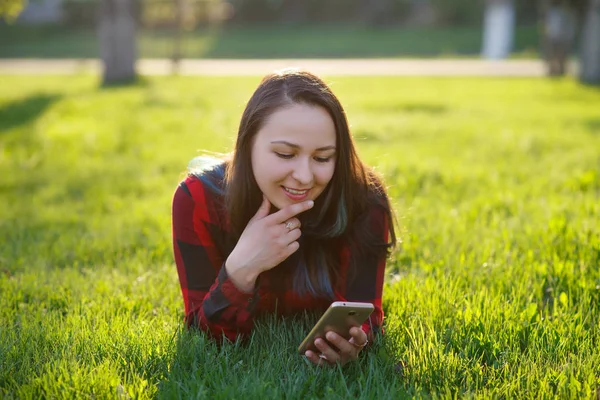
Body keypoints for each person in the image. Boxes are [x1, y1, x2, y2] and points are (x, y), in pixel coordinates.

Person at [172, 69, 396, 367]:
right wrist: (240, 270)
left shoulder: (364, 200)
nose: (304, 177)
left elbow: (366, 315)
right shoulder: (197, 199)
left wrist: (356, 340)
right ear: (247, 144)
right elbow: (202, 337)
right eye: (285, 154)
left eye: (322, 158)